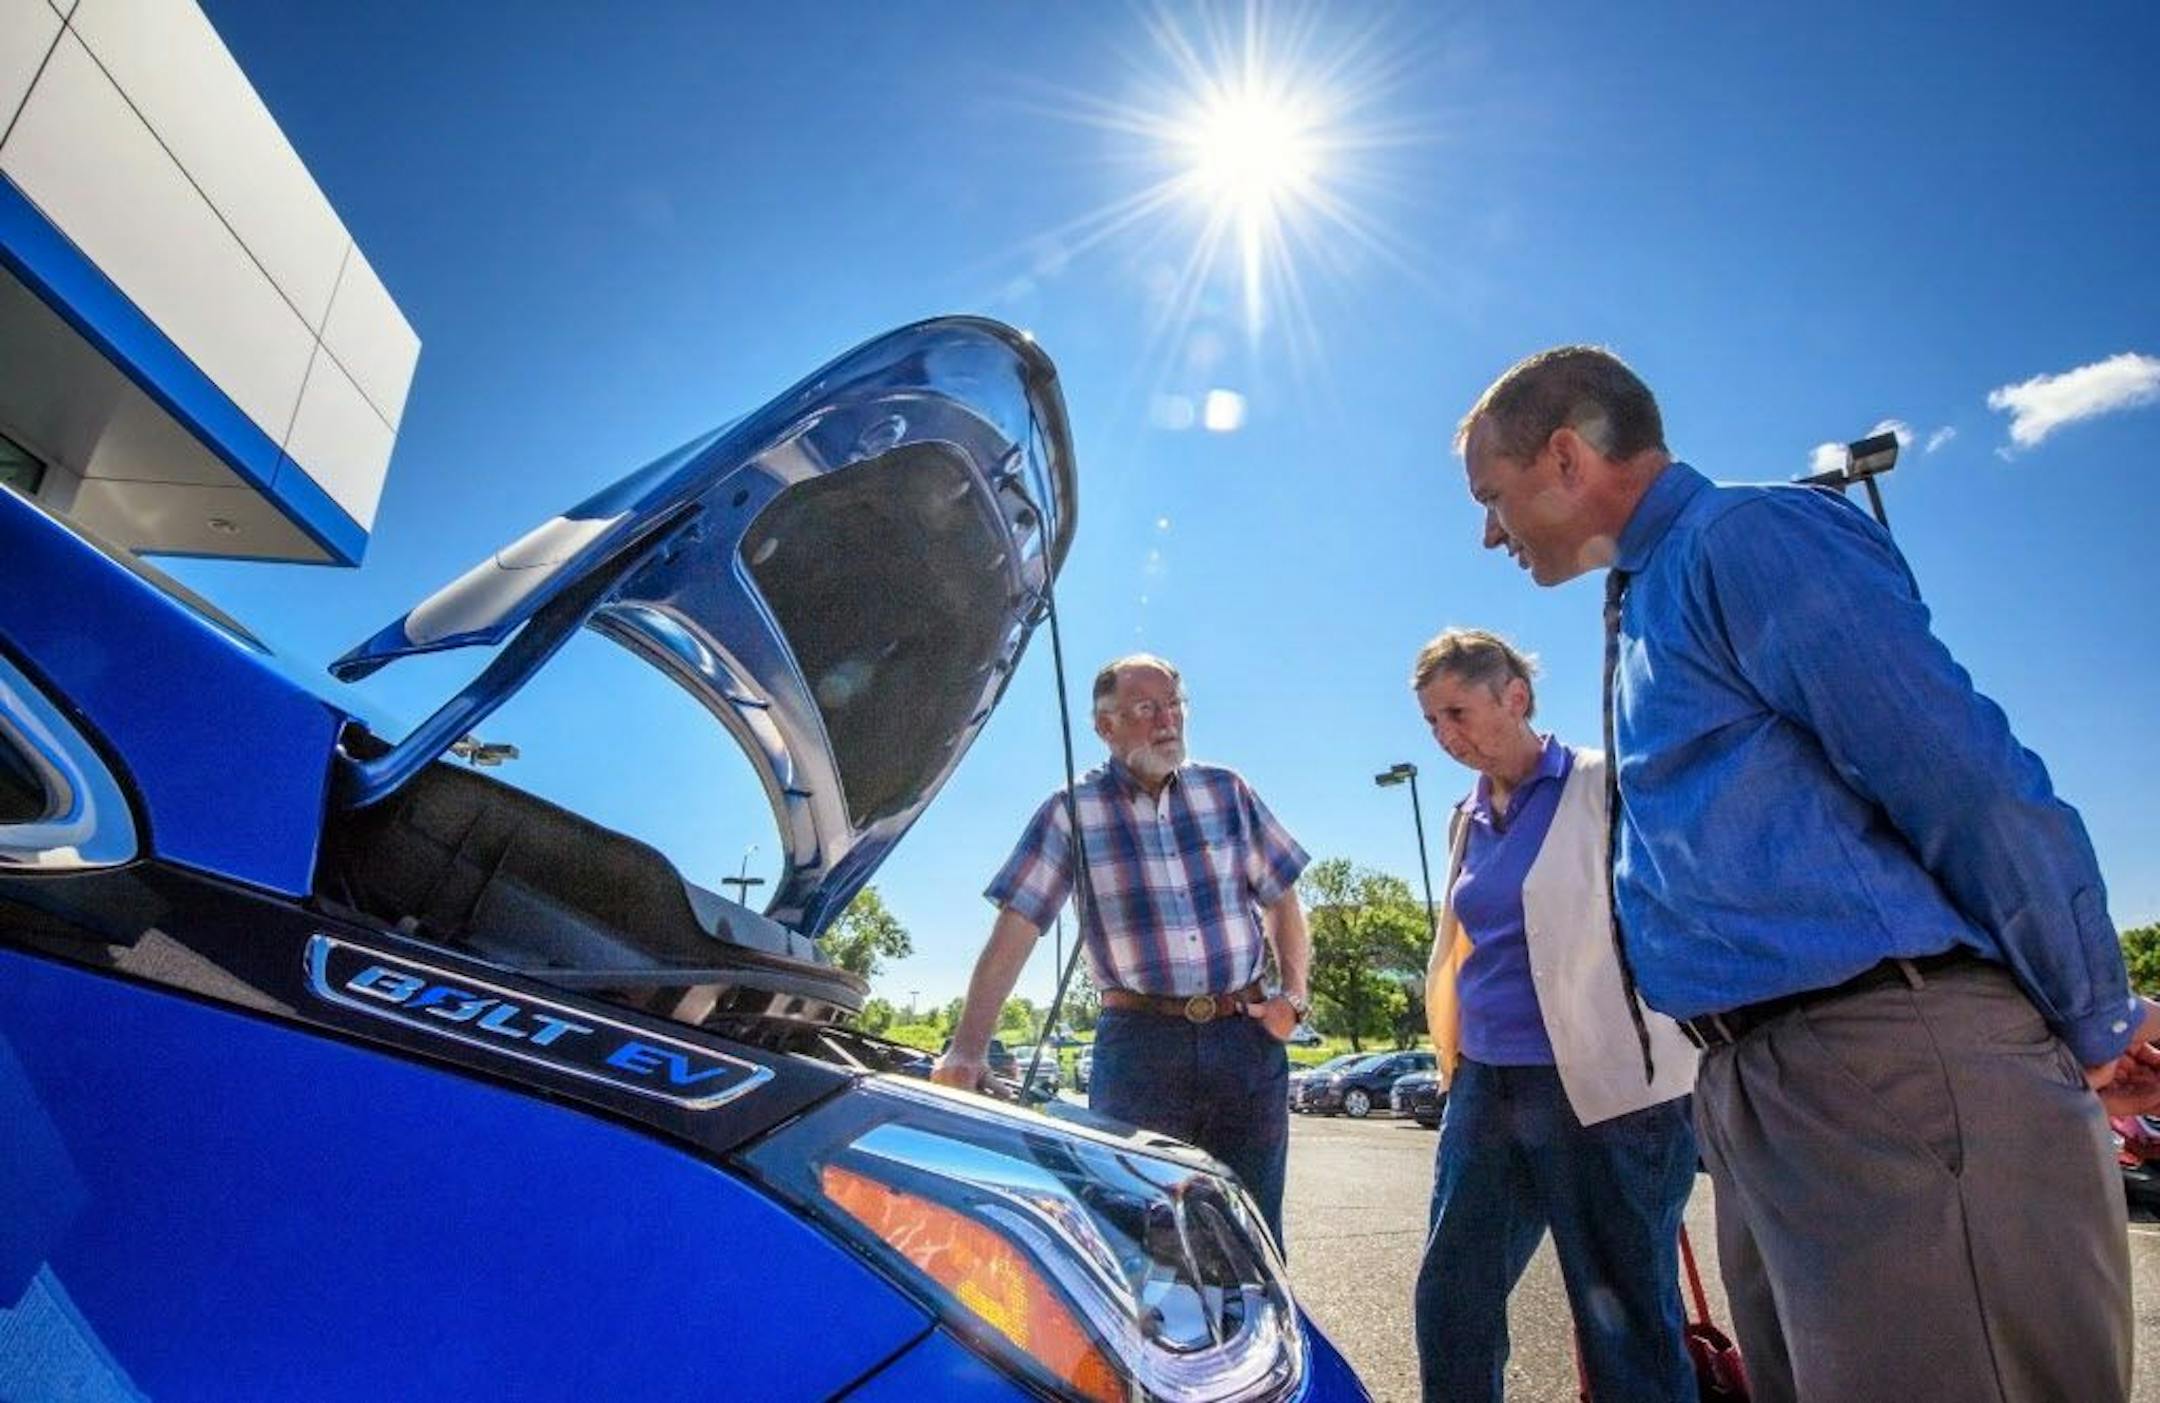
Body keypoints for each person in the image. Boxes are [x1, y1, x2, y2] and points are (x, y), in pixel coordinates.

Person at [1452, 344, 2160, 1402]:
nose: (1489, 532)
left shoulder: (1745, 538)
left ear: (1565, 457)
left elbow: (1962, 778)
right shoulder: (1647, 595)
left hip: (1882, 1067)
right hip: (1766, 1082)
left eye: (1492, 496)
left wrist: (2095, 1012)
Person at [932, 654, 1313, 1245]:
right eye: (1146, 709)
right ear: (1105, 728)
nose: (1168, 721)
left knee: (1253, 1232)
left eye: (1174, 705)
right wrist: (967, 1050)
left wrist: (1294, 997)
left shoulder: (1227, 791)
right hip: (1140, 1050)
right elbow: (1016, 930)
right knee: (1138, 1239)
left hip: (1245, 1038)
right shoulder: (1070, 812)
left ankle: (1260, 1337)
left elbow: (1283, 902)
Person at [1408, 627, 1699, 1403]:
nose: (1446, 737)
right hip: (1488, 1083)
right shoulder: (1463, 818)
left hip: (1606, 1091)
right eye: (1432, 722)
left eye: (1459, 713)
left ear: (1517, 696)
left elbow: (1674, 907)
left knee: (1626, 1317)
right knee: (1452, 1299)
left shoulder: (1607, 785)